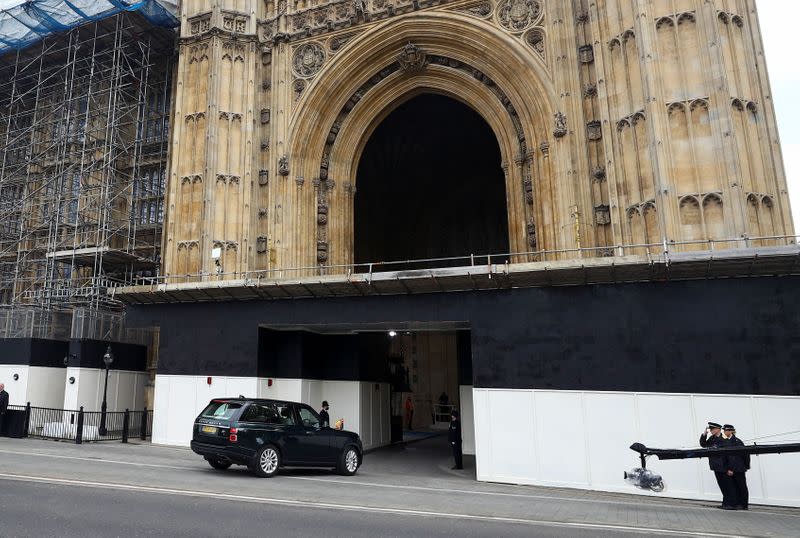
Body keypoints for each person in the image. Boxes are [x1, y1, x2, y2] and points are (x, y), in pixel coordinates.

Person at [699, 421, 735, 509]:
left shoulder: (724, 438)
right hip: (716, 466)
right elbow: (703, 445)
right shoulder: (712, 438)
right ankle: (725, 503)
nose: (710, 430)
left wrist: (730, 468)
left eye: (712, 429)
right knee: (722, 485)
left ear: (718, 429)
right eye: (710, 429)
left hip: (725, 466)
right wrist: (704, 434)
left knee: (728, 486)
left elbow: (730, 455)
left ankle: (731, 504)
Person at [723, 424, 750, 510]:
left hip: (738, 468)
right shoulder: (728, 441)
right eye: (724, 430)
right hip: (734, 468)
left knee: (741, 486)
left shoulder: (737, 441)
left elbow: (742, 456)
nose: (724, 432)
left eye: (726, 430)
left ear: (731, 431)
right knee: (734, 487)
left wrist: (745, 466)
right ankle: (737, 503)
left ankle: (744, 504)